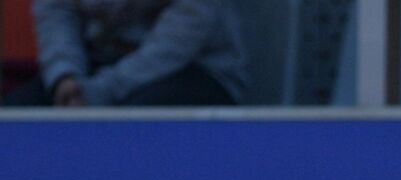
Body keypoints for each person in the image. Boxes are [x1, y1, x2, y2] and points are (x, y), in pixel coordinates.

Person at [3, 0, 246, 108]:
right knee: (17, 113)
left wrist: (99, 92)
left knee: (132, 125)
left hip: (194, 70)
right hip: (94, 67)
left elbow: (178, 40)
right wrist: (64, 77)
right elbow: (57, 12)